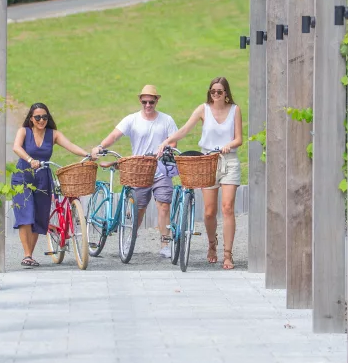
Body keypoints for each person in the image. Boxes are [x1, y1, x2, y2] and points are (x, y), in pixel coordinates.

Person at [157, 77, 242, 270]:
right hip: (208, 161)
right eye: (213, 91)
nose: (216, 95)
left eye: (220, 92)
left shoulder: (235, 110)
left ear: (226, 93)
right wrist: (165, 142)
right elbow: (185, 129)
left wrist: (229, 145)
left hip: (228, 161)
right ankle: (212, 243)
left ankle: (228, 255)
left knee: (227, 207)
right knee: (209, 211)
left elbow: (239, 139)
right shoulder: (203, 109)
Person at [91, 85, 179, 258]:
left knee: (164, 205)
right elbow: (114, 135)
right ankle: (130, 238)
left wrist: (165, 148)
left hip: (160, 169)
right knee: (138, 208)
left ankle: (165, 243)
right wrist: (101, 146)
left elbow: (174, 141)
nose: (148, 105)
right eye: (144, 101)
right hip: (139, 171)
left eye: (151, 102)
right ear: (140, 100)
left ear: (157, 101)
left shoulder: (166, 120)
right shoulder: (132, 119)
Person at [11, 103, 90, 267]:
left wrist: (87, 154)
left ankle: (30, 256)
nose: (41, 120)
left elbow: (71, 146)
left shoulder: (53, 134)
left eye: (45, 117)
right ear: (31, 119)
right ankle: (27, 255)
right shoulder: (24, 131)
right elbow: (16, 147)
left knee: (39, 216)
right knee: (26, 214)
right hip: (23, 176)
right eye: (38, 117)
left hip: (43, 178)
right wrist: (30, 160)